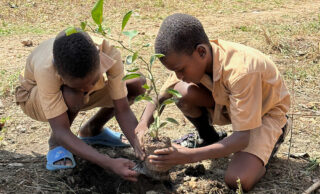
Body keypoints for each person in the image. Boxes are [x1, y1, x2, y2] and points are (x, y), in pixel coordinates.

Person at [135, 13, 291, 191]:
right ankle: (208, 138)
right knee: (180, 90)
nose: (178, 76)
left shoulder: (241, 71)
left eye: (180, 70)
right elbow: (161, 95)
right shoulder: (192, 57)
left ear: (201, 51)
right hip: (231, 106)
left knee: (238, 180)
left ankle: (271, 144)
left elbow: (242, 138)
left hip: (265, 114)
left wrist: (189, 156)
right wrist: (142, 125)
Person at [15, 29, 144, 181]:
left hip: (73, 91)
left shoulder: (108, 52)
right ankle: (56, 145)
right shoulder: (47, 71)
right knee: (73, 95)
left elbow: (122, 109)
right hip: (33, 97)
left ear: (98, 59)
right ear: (60, 76)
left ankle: (92, 130)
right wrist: (108, 163)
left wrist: (139, 145)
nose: (88, 90)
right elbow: (60, 130)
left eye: (93, 81)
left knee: (137, 84)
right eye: (79, 86)